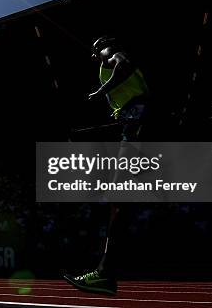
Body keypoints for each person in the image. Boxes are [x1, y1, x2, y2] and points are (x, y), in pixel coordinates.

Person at [63, 35, 150, 295]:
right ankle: (107, 271)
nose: (95, 55)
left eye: (94, 50)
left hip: (139, 120)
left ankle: (105, 273)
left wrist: (102, 90)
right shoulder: (106, 59)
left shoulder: (108, 52)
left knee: (120, 199)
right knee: (121, 201)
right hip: (135, 122)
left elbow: (123, 64)